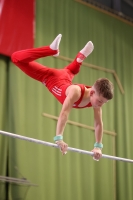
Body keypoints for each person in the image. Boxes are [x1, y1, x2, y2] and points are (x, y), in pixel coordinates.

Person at [11, 34, 114, 161]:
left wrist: (98, 147)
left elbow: (98, 124)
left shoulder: (96, 102)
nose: (100, 105)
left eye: (103, 103)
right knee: (16, 58)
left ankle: (78, 60)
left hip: (65, 77)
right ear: (92, 92)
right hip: (52, 78)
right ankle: (51, 50)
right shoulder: (76, 92)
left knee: (70, 72)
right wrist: (59, 138)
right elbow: (64, 113)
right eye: (100, 101)